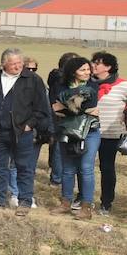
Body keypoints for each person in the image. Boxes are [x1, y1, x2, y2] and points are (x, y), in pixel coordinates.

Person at [0, 48, 51, 215]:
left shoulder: (33, 79)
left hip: (21, 132)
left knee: (24, 167)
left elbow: (41, 108)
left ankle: (25, 202)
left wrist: (29, 125)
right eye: (14, 63)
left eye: (20, 63)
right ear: (4, 64)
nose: (18, 66)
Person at [52, 56, 100, 220]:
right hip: (67, 132)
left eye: (88, 69)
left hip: (90, 132)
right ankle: (65, 203)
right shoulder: (60, 85)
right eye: (83, 70)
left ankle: (86, 208)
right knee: (68, 169)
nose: (87, 73)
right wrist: (75, 107)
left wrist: (66, 106)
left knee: (86, 168)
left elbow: (87, 106)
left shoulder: (93, 86)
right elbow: (56, 107)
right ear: (73, 72)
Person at [90, 52, 127, 215]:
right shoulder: (87, 83)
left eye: (98, 63)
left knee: (107, 168)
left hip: (110, 135)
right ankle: (83, 199)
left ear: (108, 67)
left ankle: (106, 202)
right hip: (88, 133)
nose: (93, 65)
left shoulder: (123, 85)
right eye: (93, 62)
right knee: (85, 168)